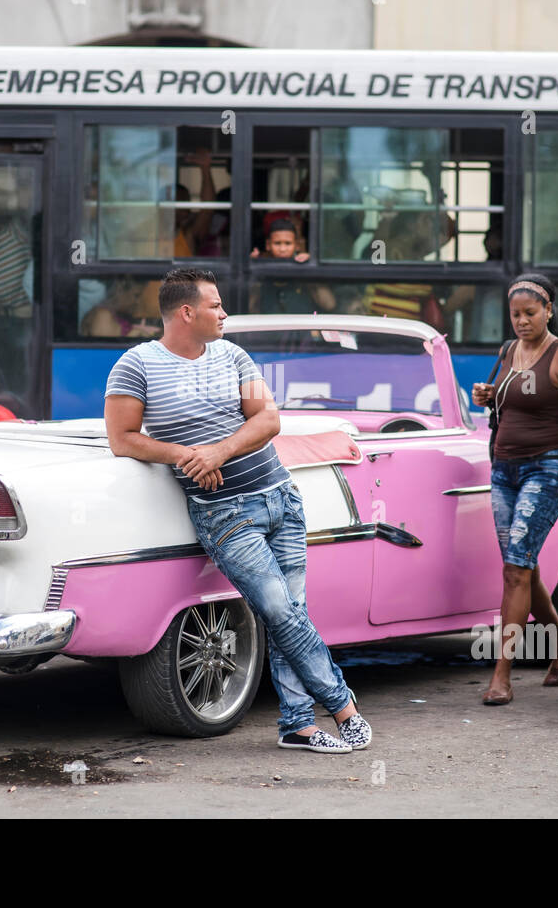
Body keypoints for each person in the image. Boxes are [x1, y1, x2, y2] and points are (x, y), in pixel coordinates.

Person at [104, 268, 373, 753]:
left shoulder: (233, 356)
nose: (225, 313)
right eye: (216, 305)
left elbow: (268, 419)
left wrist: (216, 452)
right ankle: (342, 706)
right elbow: (123, 439)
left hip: (281, 497)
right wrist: (189, 456)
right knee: (277, 609)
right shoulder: (136, 365)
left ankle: (297, 725)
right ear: (187, 312)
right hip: (224, 513)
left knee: (291, 612)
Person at [472, 273, 558, 705]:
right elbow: (507, 401)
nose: (522, 321)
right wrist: (488, 396)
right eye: (515, 314)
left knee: (515, 570)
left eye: (530, 313)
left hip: (547, 469)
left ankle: (501, 675)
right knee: (521, 565)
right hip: (503, 469)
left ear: (548, 311)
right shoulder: (508, 351)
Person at [81, 278, 162, 338]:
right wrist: (131, 336)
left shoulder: (120, 315)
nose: (137, 302)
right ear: (121, 290)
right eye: (136, 295)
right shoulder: (103, 316)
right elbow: (105, 353)